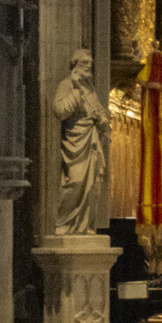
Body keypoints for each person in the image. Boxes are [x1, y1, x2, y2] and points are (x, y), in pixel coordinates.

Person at [52, 47, 110, 235]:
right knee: (75, 181)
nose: (88, 66)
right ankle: (64, 222)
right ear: (74, 65)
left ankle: (85, 225)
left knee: (93, 185)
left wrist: (102, 120)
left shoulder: (89, 87)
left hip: (91, 141)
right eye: (84, 63)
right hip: (74, 143)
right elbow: (60, 111)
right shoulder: (67, 84)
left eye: (90, 63)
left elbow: (100, 112)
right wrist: (76, 91)